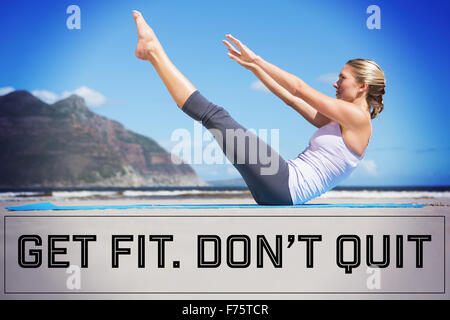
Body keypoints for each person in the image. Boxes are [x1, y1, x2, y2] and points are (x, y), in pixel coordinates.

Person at [132, 10, 386, 205]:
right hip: (280, 189)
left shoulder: (356, 118)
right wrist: (255, 69)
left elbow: (299, 88)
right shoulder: (343, 124)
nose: (336, 82)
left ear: (362, 87)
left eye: (342, 78)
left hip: (284, 184)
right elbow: (292, 99)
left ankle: (153, 51)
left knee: (214, 116)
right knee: (214, 117)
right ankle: (153, 52)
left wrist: (258, 60)